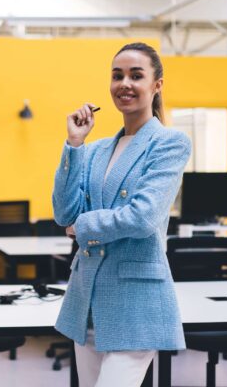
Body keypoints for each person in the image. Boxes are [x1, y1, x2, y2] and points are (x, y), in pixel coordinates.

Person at [52, 42, 191, 387]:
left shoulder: (169, 142)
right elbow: (64, 212)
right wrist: (74, 145)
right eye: (117, 76)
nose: (124, 83)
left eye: (136, 75)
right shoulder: (97, 149)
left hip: (135, 301)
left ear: (157, 84)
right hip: (87, 298)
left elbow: (142, 217)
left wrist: (81, 227)